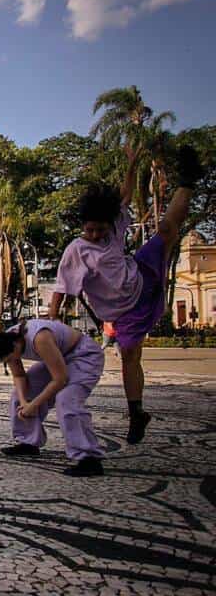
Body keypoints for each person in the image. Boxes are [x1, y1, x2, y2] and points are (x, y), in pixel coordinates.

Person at [48, 144, 203, 444]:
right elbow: (61, 290)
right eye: (90, 230)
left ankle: (188, 179)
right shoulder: (76, 251)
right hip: (124, 313)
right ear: (83, 226)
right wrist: (51, 324)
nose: (95, 235)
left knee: (167, 229)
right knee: (130, 355)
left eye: (100, 230)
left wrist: (131, 165)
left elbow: (125, 195)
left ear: (110, 224)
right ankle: (137, 413)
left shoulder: (114, 226)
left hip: (141, 275)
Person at [0, 319, 105, 477]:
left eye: (10, 358)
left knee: (66, 399)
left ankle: (89, 458)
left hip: (83, 355)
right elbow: (19, 376)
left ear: (15, 346)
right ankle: (28, 442)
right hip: (58, 357)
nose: (11, 362)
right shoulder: (8, 340)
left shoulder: (40, 338)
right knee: (18, 396)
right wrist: (24, 401)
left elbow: (60, 380)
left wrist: (33, 405)